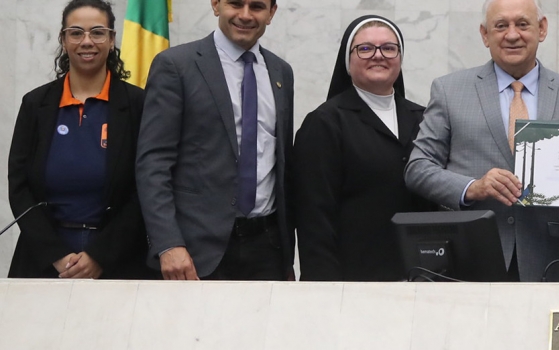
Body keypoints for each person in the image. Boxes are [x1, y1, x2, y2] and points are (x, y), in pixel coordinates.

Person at [406, 0, 559, 282]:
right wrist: (474, 187)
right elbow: (418, 169)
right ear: (485, 35)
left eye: (522, 24)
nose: (512, 34)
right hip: (468, 254)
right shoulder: (449, 90)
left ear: (542, 29)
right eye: (501, 26)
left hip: (542, 259)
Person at [136, 0, 295, 280]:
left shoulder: (281, 72)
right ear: (216, 5)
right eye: (235, 3)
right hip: (196, 252)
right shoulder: (176, 65)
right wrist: (168, 243)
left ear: (271, 13)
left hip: (268, 248)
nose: (245, 15)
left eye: (257, 6)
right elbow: (153, 163)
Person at [7, 0, 151, 279]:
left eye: (97, 32)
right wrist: (55, 255)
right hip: (43, 260)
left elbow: (146, 186)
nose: (87, 41)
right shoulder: (36, 104)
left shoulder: (138, 104)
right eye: (76, 32)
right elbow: (19, 186)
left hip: (118, 261)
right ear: (63, 40)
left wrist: (100, 256)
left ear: (111, 40)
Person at [293, 15, 431, 281]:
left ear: (400, 58)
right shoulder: (325, 123)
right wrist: (324, 287)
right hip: (352, 280)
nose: (378, 55)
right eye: (365, 48)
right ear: (347, 60)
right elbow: (314, 219)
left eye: (389, 48)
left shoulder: (424, 119)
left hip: (421, 277)